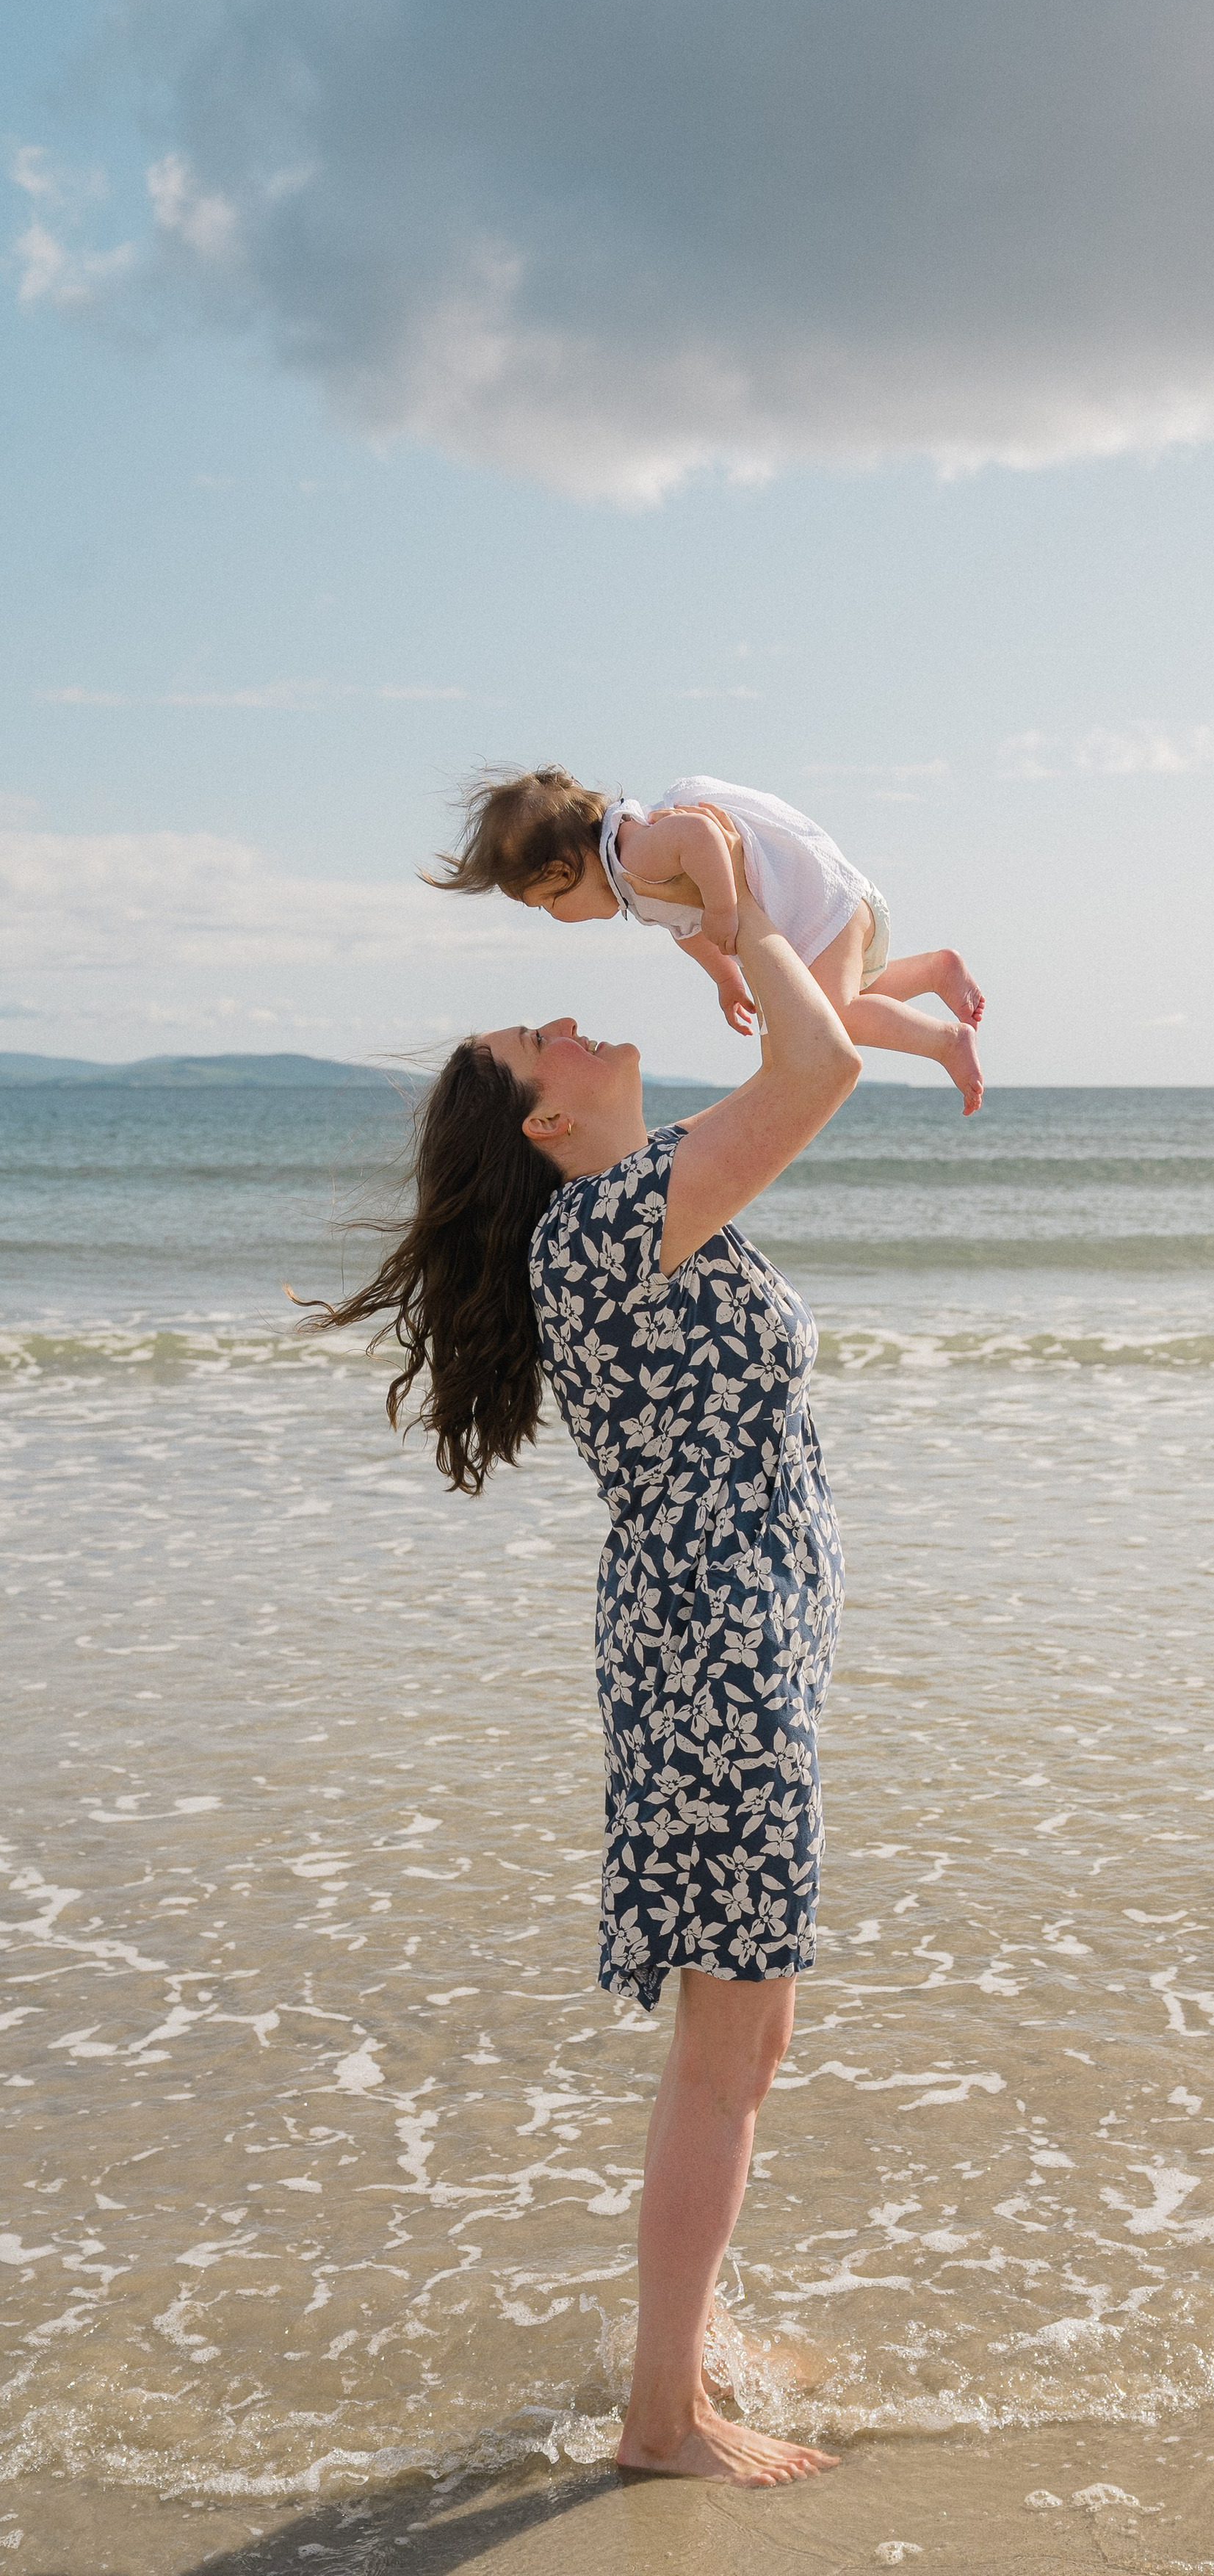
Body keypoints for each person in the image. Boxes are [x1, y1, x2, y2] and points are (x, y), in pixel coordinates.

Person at [307, 870, 861, 2488]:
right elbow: (816, 1070)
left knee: (742, 2039)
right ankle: (661, 2418)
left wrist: (751, 942)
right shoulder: (623, 1219)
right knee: (726, 2039)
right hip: (716, 1649)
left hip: (723, 1638)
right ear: (546, 1126)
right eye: (536, 1038)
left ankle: (687, 2359)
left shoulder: (629, 1212)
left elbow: (828, 1031)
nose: (569, 1020)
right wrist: (744, 901)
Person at [426, 761, 986, 1114]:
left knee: (832, 1018)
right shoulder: (632, 884)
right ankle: (935, 969)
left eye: (548, 901)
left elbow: (698, 834)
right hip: (828, 916)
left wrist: (724, 902)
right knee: (842, 1003)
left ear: (563, 866)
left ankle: (944, 1041)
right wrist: (726, 976)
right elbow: (687, 929)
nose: (553, 915)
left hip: (820, 908)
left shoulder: (631, 853)